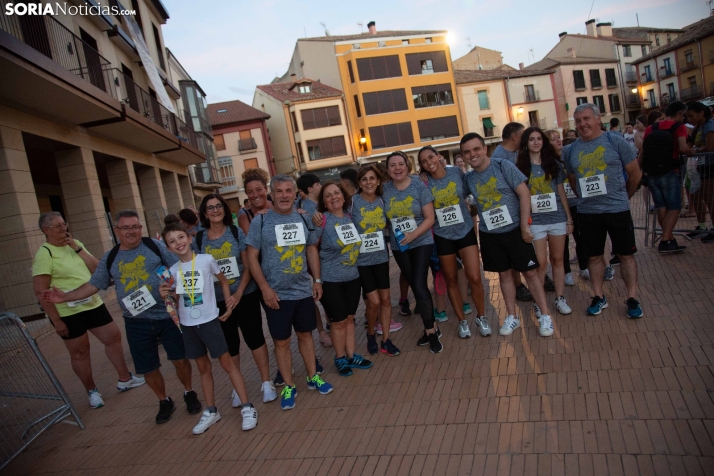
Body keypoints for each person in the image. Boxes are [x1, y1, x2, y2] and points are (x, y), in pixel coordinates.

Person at [42, 210, 200, 424]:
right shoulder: (111, 256)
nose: (131, 232)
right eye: (125, 228)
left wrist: (177, 290)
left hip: (166, 315)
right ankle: (164, 401)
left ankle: (189, 392)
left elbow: (179, 266)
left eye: (135, 227)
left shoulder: (155, 246)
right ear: (116, 230)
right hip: (136, 322)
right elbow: (94, 284)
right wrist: (65, 297)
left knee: (180, 360)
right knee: (148, 368)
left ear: (140, 228)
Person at [32, 212, 145, 409]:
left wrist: (76, 248)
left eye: (63, 224)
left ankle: (125, 379)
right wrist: (56, 321)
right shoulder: (45, 254)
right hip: (67, 311)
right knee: (80, 351)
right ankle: (92, 391)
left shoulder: (75, 243)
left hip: (91, 302)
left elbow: (97, 268)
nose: (63, 228)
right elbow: (41, 291)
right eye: (58, 226)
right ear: (46, 231)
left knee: (113, 337)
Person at [245, 175, 333, 410]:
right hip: (277, 295)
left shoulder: (303, 219)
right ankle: (289, 385)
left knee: (306, 335)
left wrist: (316, 280)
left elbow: (311, 249)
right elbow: (251, 257)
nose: (284, 195)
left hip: (303, 290)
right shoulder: (260, 222)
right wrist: (264, 288)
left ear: (295, 194)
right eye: (279, 191)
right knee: (281, 342)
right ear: (271, 195)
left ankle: (313, 376)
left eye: (288, 191)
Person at [160, 224, 257, 434]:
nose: (178, 243)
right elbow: (176, 301)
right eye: (172, 241)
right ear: (168, 248)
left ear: (189, 237)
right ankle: (212, 411)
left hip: (210, 321)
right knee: (203, 368)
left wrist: (229, 302)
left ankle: (247, 406)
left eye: (181, 237)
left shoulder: (205, 260)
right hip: (188, 325)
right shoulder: (172, 272)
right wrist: (165, 296)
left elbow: (223, 280)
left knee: (227, 364)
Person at [461, 133, 555, 337]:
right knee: (504, 275)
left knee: (530, 273)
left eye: (476, 149)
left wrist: (524, 226)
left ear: (484, 149)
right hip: (490, 235)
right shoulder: (468, 179)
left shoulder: (503, 166)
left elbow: (524, 194)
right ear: (464, 156)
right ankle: (512, 317)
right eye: (467, 152)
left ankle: (545, 315)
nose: (472, 154)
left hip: (514, 230)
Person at [562, 103, 643, 319]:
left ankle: (632, 298)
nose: (582, 124)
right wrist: (584, 198)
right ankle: (598, 297)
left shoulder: (614, 140)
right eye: (578, 121)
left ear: (598, 119)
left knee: (626, 255)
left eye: (587, 119)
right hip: (589, 212)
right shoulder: (572, 150)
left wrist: (624, 196)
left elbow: (635, 173)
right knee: (594, 257)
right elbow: (572, 179)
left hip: (617, 209)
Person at [195, 193, 277, 405]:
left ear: (225, 209)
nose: (215, 210)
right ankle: (236, 386)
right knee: (230, 344)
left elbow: (248, 264)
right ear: (205, 213)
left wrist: (239, 293)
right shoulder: (198, 238)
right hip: (217, 300)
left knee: (255, 338)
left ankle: (266, 382)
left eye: (218, 206)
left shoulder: (236, 232)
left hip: (245, 294)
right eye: (210, 207)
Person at [417, 146, 488, 338]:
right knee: (451, 280)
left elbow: (469, 195)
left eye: (431, 157)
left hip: (465, 231)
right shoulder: (423, 183)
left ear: (439, 156)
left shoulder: (456, 172)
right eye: (423, 161)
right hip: (443, 236)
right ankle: (462, 322)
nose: (429, 162)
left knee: (474, 277)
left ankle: (482, 317)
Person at [383, 151, 442, 353]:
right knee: (416, 286)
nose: (397, 168)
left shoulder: (419, 185)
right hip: (399, 246)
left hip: (421, 240)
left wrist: (413, 235)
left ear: (407, 167)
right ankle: (432, 327)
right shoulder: (384, 190)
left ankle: (431, 331)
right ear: (387, 169)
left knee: (418, 283)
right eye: (393, 165)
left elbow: (430, 218)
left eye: (401, 164)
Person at [315, 181, 374, 375]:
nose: (334, 197)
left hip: (352, 277)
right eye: (328, 195)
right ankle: (339, 357)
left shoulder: (350, 218)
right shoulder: (321, 220)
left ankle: (351, 355)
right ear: (323, 201)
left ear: (343, 196)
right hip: (331, 280)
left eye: (336, 193)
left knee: (349, 319)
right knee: (338, 321)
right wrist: (316, 280)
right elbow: (310, 248)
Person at [516, 128, 574, 316]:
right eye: (531, 139)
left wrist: (569, 218)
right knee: (540, 263)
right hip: (536, 222)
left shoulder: (554, 164)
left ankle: (560, 298)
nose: (536, 142)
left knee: (558, 260)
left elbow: (561, 192)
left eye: (539, 139)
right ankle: (539, 302)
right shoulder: (520, 168)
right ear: (526, 143)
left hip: (557, 218)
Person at [350, 165, 401, 356]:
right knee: (374, 302)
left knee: (386, 300)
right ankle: (371, 333)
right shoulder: (353, 202)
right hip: (362, 261)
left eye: (372, 178)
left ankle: (386, 340)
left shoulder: (382, 201)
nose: (368, 182)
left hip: (381, 257)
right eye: (364, 179)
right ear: (359, 183)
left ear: (378, 181)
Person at [641, 100, 691, 253]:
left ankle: (669, 239)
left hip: (651, 172)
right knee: (675, 206)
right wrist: (692, 151)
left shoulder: (651, 128)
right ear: (679, 114)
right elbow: (683, 148)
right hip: (670, 171)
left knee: (661, 207)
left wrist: (640, 170)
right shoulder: (679, 127)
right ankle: (665, 240)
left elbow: (643, 151)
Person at [295, 172, 331, 348]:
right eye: (318, 184)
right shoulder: (307, 209)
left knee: (325, 293)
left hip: (327, 255)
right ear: (310, 188)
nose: (320, 186)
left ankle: (328, 325)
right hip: (316, 257)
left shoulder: (321, 203)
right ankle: (325, 330)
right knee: (323, 294)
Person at [685, 101, 714, 242]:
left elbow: (710, 146)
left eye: (691, 116)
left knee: (710, 199)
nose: (689, 119)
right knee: (696, 195)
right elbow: (690, 143)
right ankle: (702, 226)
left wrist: (694, 151)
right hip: (698, 166)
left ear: (701, 113)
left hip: (710, 166)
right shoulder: (697, 128)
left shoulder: (710, 126)